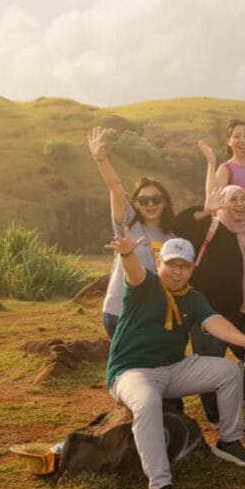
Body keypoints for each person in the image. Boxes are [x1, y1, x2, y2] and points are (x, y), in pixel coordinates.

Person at [103, 232, 245, 489]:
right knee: (148, 401)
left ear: (191, 269)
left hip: (174, 367)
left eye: (184, 266)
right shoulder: (145, 285)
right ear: (159, 262)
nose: (177, 272)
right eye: (171, 264)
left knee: (228, 371)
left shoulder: (192, 297)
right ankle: (160, 486)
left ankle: (229, 441)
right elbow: (134, 272)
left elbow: (214, 322)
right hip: (132, 372)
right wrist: (127, 254)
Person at [173, 185, 245, 421]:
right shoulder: (211, 226)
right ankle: (214, 416)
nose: (239, 204)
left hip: (244, 312)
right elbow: (179, 224)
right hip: (208, 312)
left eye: (243, 199)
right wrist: (205, 211)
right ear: (223, 202)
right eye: (232, 199)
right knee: (210, 367)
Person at [88, 126, 175, 337]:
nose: (151, 204)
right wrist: (101, 160)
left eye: (156, 199)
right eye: (144, 200)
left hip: (151, 314)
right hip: (120, 311)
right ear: (135, 203)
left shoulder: (171, 237)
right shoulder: (128, 223)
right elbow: (115, 188)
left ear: (164, 203)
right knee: (127, 366)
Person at [200, 118, 245, 192]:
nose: (242, 140)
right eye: (237, 136)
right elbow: (213, 196)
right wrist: (211, 163)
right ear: (229, 141)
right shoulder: (226, 169)